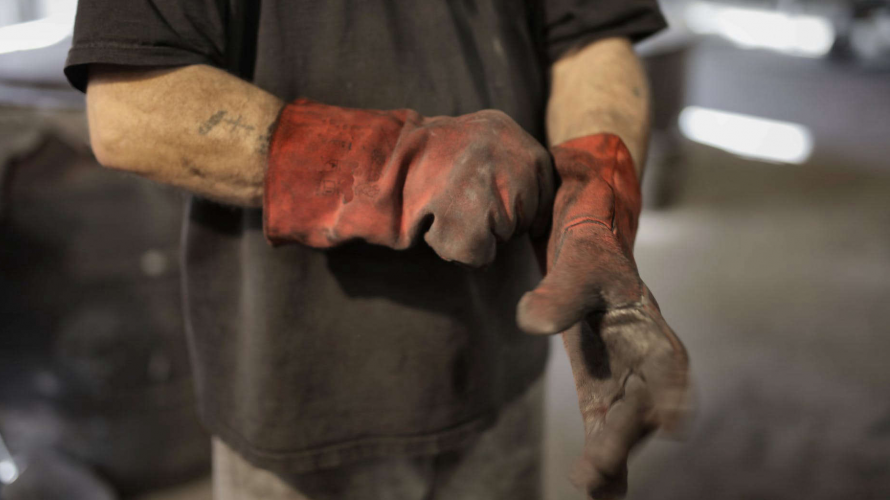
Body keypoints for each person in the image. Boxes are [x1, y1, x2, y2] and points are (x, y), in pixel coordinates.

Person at [65, 1, 690, 498]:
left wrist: (592, 221)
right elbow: (130, 104)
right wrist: (402, 163)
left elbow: (591, 40)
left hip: (499, 366)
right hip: (298, 396)